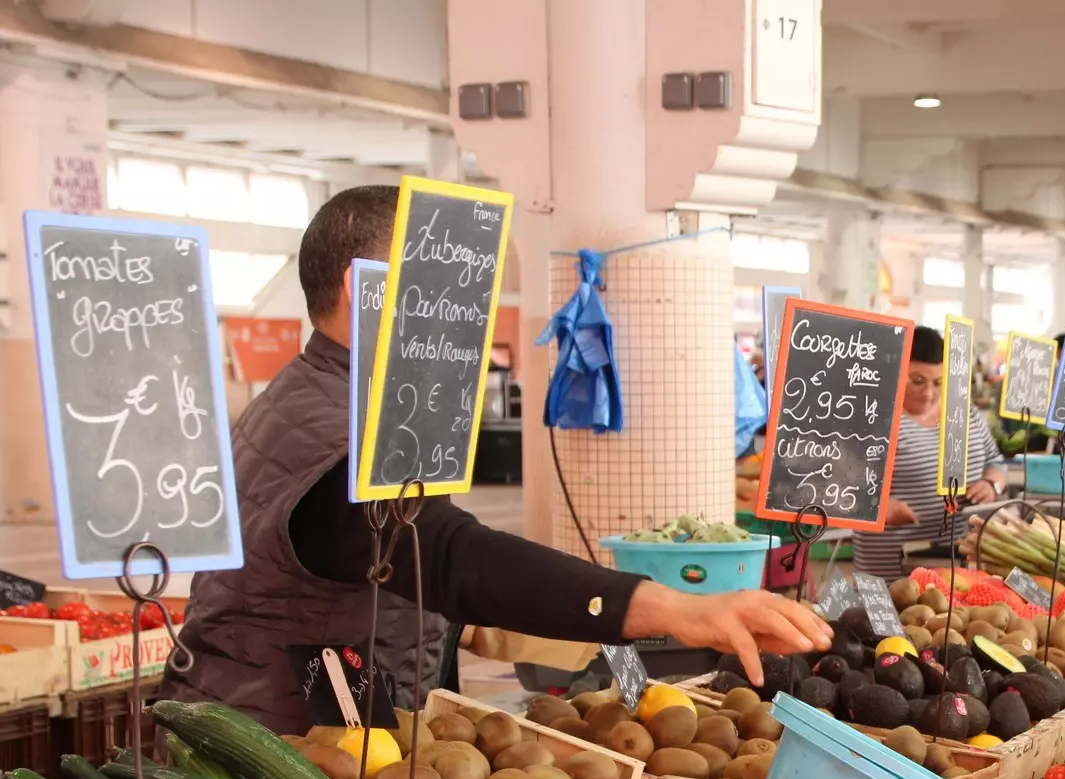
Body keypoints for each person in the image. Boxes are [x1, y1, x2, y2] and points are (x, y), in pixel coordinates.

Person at [162, 186, 829, 734]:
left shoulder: (359, 404)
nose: (457, 315)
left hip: (323, 728)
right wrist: (678, 609)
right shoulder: (324, 425)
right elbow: (448, 556)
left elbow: (412, 577)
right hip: (264, 749)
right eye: (435, 288)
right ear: (358, 287)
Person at [850, 325, 1007, 580]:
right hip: (890, 573)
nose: (929, 392)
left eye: (938, 382)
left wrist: (992, 485)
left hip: (957, 568)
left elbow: (996, 461)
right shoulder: (875, 417)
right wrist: (878, 506)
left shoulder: (965, 412)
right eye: (918, 381)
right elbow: (841, 486)